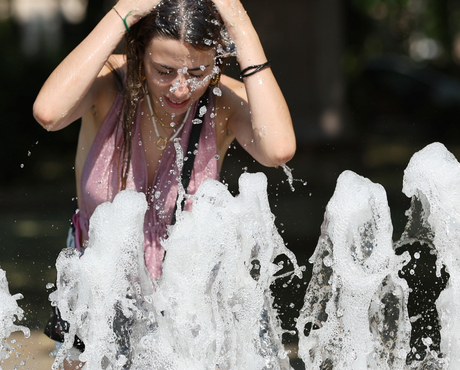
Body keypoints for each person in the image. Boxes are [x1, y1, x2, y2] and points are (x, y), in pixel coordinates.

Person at [33, 0, 295, 367]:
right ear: (139, 53)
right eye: (164, 70)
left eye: (198, 71)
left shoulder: (221, 101)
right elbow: (49, 113)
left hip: (185, 304)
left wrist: (240, 26)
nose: (181, 88)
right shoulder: (108, 86)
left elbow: (278, 149)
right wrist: (123, 11)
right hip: (100, 297)